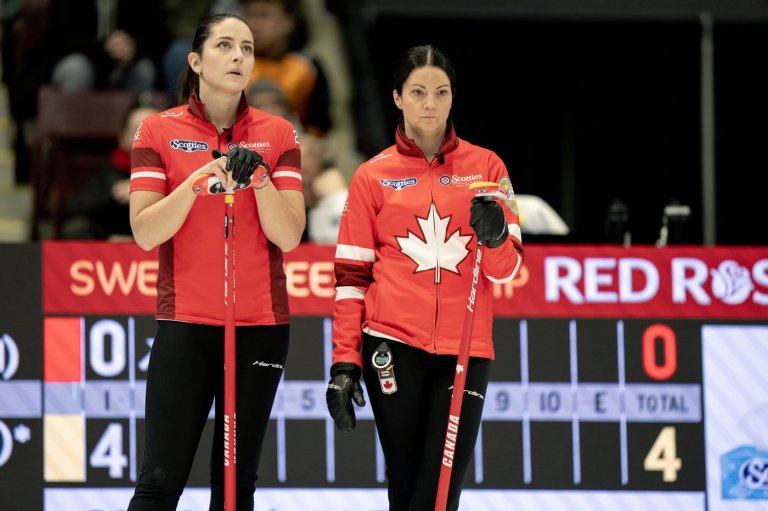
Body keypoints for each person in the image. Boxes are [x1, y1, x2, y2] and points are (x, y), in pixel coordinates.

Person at [325, 45, 524, 510]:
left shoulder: (488, 168)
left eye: (441, 92)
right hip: (391, 345)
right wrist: (344, 362)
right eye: (417, 92)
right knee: (405, 484)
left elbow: (509, 268)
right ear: (397, 97)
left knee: (438, 492)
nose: (430, 104)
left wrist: (497, 235)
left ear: (453, 97)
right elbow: (351, 279)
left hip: (465, 348)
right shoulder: (372, 176)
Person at [126, 13, 304, 510]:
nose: (238, 56)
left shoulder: (279, 133)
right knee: (159, 482)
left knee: (234, 489)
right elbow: (145, 232)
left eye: (247, 48)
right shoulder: (157, 130)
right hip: (186, 322)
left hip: (260, 326)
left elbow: (289, 236)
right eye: (225, 45)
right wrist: (197, 181)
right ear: (196, 61)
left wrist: (260, 179)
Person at [60, 102, 159, 241]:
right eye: (138, 131)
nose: (147, 138)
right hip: (108, 245)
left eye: (154, 130)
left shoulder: (178, 171)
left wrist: (146, 191)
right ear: (122, 138)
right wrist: (112, 194)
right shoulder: (110, 172)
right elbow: (72, 211)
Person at [240, 0, 332, 136]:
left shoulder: (305, 67)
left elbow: (319, 123)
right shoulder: (234, 63)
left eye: (264, 15)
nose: (254, 24)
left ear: (288, 22)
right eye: (249, 15)